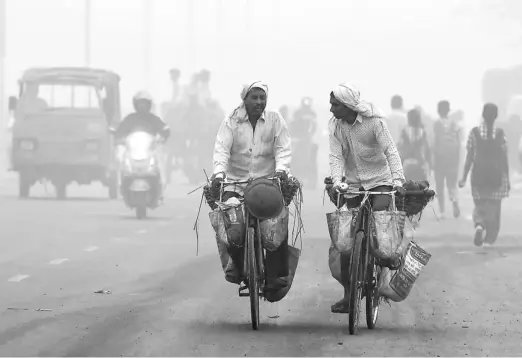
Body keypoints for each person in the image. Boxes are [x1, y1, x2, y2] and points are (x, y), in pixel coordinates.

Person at [327, 82, 406, 313]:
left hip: (380, 182)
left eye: (335, 105)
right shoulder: (336, 125)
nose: (331, 109)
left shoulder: (374, 122)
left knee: (382, 223)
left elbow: (391, 151)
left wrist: (398, 181)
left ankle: (386, 259)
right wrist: (337, 181)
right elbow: (335, 156)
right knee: (345, 244)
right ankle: (348, 295)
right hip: (352, 185)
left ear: (348, 105)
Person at [210, 80, 292, 290]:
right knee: (231, 226)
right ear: (244, 99)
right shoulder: (231, 120)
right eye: (254, 98)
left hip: (266, 183)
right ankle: (236, 265)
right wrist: (219, 174)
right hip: (235, 183)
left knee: (277, 222)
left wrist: (282, 170)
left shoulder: (275, 119)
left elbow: (283, 148)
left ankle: (276, 275)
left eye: (262, 97)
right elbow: (221, 149)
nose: (258, 102)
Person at [459, 103, 510, 247]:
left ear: (482, 115)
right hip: (496, 176)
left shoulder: (474, 133)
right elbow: (504, 157)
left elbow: (469, 157)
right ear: (496, 116)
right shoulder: (500, 134)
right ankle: (489, 239)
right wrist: (507, 178)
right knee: (494, 207)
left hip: (478, 176)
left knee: (480, 204)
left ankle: (479, 225)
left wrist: (463, 177)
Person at [115, 91, 170, 192]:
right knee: (119, 157)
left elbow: (164, 129)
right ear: (135, 104)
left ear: (149, 105)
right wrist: (119, 138)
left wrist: (162, 136)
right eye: (140, 103)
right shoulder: (130, 119)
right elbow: (120, 131)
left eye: (144, 103)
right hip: (132, 149)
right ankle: (119, 183)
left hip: (150, 149)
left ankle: (162, 184)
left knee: (161, 158)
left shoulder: (154, 119)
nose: (142, 106)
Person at [433, 100, 461, 219]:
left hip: (440, 159)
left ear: (438, 111)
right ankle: (454, 199)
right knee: (451, 184)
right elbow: (458, 142)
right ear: (448, 110)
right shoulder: (454, 124)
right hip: (452, 158)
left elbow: (434, 142)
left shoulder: (436, 124)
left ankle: (442, 212)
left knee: (439, 185)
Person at [398, 109, 432, 181]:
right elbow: (428, 149)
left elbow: (401, 148)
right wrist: (428, 165)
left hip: (406, 164)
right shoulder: (423, 132)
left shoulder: (404, 131)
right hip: (420, 164)